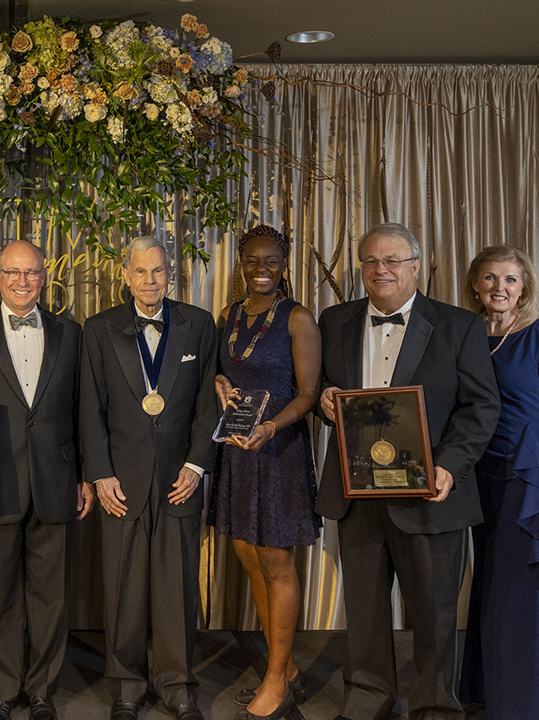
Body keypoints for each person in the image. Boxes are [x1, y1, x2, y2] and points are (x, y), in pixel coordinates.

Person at [315, 222, 500, 720]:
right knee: (365, 612)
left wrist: (449, 467)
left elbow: (481, 407)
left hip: (429, 496)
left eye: (393, 260)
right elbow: (322, 388)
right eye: (372, 261)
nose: (382, 270)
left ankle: (435, 706)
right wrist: (324, 398)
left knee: (435, 614)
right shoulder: (334, 320)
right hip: (357, 495)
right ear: (361, 269)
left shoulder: (459, 326)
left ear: (415, 266)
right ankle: (369, 698)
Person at [79, 236, 220, 720]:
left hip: (180, 477)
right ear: (125, 276)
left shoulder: (199, 325)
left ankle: (178, 684)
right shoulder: (97, 329)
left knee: (178, 586)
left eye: (158, 271)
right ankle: (126, 685)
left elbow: (208, 404)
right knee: (122, 587)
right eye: (140, 272)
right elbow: (89, 409)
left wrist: (198, 464)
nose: (150, 281)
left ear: (171, 274)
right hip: (121, 482)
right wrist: (99, 474)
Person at [0, 241, 94, 720]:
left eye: (31, 273)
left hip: (57, 481)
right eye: (12, 273)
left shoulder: (71, 334)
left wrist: (87, 477)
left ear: (44, 275)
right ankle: (1, 690)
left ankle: (41, 691)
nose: (22, 282)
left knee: (50, 594)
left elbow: (84, 412)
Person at [459, 245, 539, 719]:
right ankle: (495, 693)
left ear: (524, 286)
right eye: (489, 279)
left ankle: (530, 703)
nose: (500, 288)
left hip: (528, 479)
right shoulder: (470, 334)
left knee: (528, 591)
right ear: (475, 285)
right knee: (492, 588)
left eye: (510, 279)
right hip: (479, 477)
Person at [208, 225, 321, 720]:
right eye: (252, 260)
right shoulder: (228, 316)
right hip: (237, 452)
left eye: (271, 261)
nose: (261, 269)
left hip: (278, 454)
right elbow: (220, 371)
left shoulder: (298, 319)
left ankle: (276, 680)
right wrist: (217, 383)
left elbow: (309, 394)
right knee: (247, 555)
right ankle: (288, 665)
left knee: (276, 562)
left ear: (284, 263)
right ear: (241, 262)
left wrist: (272, 427)